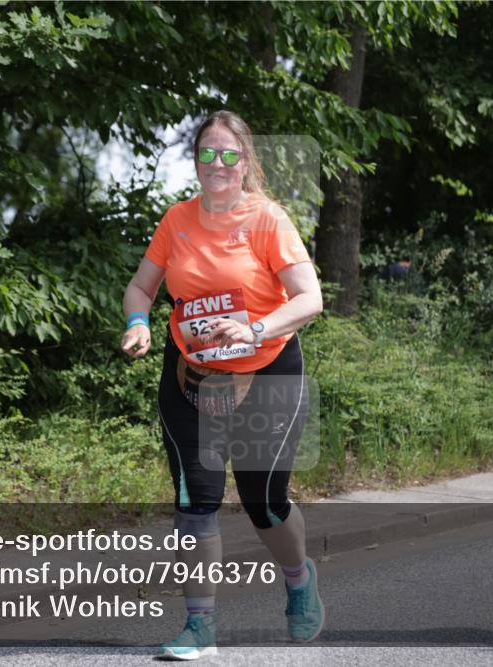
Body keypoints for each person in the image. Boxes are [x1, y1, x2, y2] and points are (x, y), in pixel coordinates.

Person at [120, 110, 325, 659]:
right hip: (192, 376)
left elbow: (309, 299)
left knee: (265, 501)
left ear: (245, 162)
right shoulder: (177, 220)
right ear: (195, 160)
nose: (218, 163)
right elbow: (141, 288)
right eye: (207, 153)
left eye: (229, 154)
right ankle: (199, 627)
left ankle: (299, 579)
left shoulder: (268, 220)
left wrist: (254, 328)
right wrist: (138, 322)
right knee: (195, 501)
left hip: (267, 372)